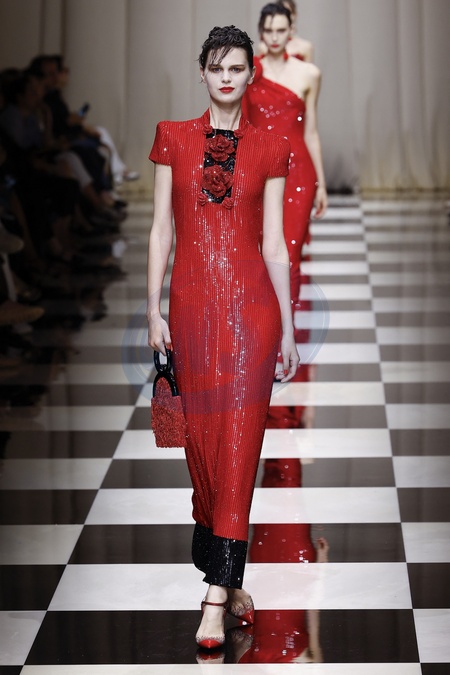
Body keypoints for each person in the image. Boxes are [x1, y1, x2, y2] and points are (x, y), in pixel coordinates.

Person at [147, 25, 299, 649]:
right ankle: (230, 581)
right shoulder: (172, 137)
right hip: (189, 313)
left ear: (250, 74)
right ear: (203, 73)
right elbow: (161, 229)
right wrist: (151, 309)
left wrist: (288, 326)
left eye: (238, 68)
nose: (228, 78)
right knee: (205, 458)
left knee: (238, 449)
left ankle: (213, 601)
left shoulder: (271, 145)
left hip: (252, 317)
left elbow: (274, 244)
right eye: (217, 68)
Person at [243, 3, 327, 307]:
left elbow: (311, 132)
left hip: (299, 172)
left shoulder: (309, 74)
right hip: (259, 171)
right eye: (269, 30)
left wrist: (322, 184)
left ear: (291, 30)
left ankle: (286, 326)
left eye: (281, 30)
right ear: (260, 33)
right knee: (262, 253)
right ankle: (266, 325)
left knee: (290, 253)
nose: (275, 37)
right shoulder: (250, 72)